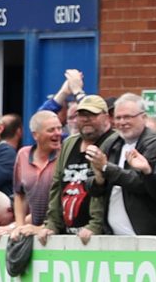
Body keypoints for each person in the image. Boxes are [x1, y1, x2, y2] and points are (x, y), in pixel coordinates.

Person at [93, 93, 156, 236]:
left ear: (143, 117)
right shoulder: (111, 142)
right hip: (111, 234)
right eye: (118, 118)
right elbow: (93, 189)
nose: (122, 122)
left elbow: (140, 183)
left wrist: (106, 168)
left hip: (144, 234)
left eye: (127, 117)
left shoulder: (154, 143)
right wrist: (98, 178)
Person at [40, 95, 111, 242]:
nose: (86, 119)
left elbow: (105, 187)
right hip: (67, 234)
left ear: (106, 117)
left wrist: (96, 225)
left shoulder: (113, 141)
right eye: (82, 115)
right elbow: (57, 185)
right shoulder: (69, 143)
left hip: (100, 236)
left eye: (92, 115)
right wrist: (52, 224)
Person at [9, 110, 62, 233]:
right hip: (33, 231)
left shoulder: (65, 154)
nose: (57, 133)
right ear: (35, 135)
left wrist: (42, 228)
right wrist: (19, 226)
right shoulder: (23, 155)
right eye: (51, 130)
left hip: (59, 232)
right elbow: (19, 194)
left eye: (59, 128)